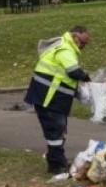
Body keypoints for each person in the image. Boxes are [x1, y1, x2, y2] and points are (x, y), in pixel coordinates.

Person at [24, 25, 91, 174]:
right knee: (55, 131)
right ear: (75, 37)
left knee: (56, 131)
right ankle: (57, 164)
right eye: (83, 42)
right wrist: (85, 76)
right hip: (49, 99)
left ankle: (56, 161)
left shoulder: (63, 46)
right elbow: (73, 71)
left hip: (50, 98)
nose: (84, 46)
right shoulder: (65, 49)